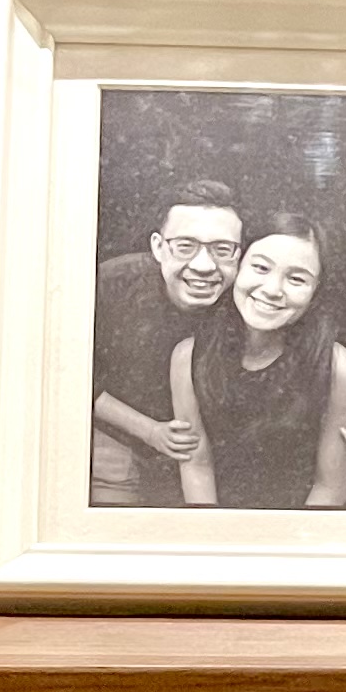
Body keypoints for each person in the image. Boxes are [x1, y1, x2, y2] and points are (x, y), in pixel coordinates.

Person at [194, 205, 346, 508]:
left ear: (316, 292)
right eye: (261, 268)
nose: (273, 289)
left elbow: (329, 488)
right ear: (237, 267)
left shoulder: (340, 369)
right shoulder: (189, 356)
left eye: (297, 279)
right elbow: (197, 467)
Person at [91, 194, 239, 503]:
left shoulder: (250, 298)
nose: (203, 265)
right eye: (185, 246)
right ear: (158, 247)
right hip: (113, 437)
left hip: (203, 451)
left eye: (222, 249)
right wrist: (149, 431)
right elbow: (68, 376)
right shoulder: (111, 282)